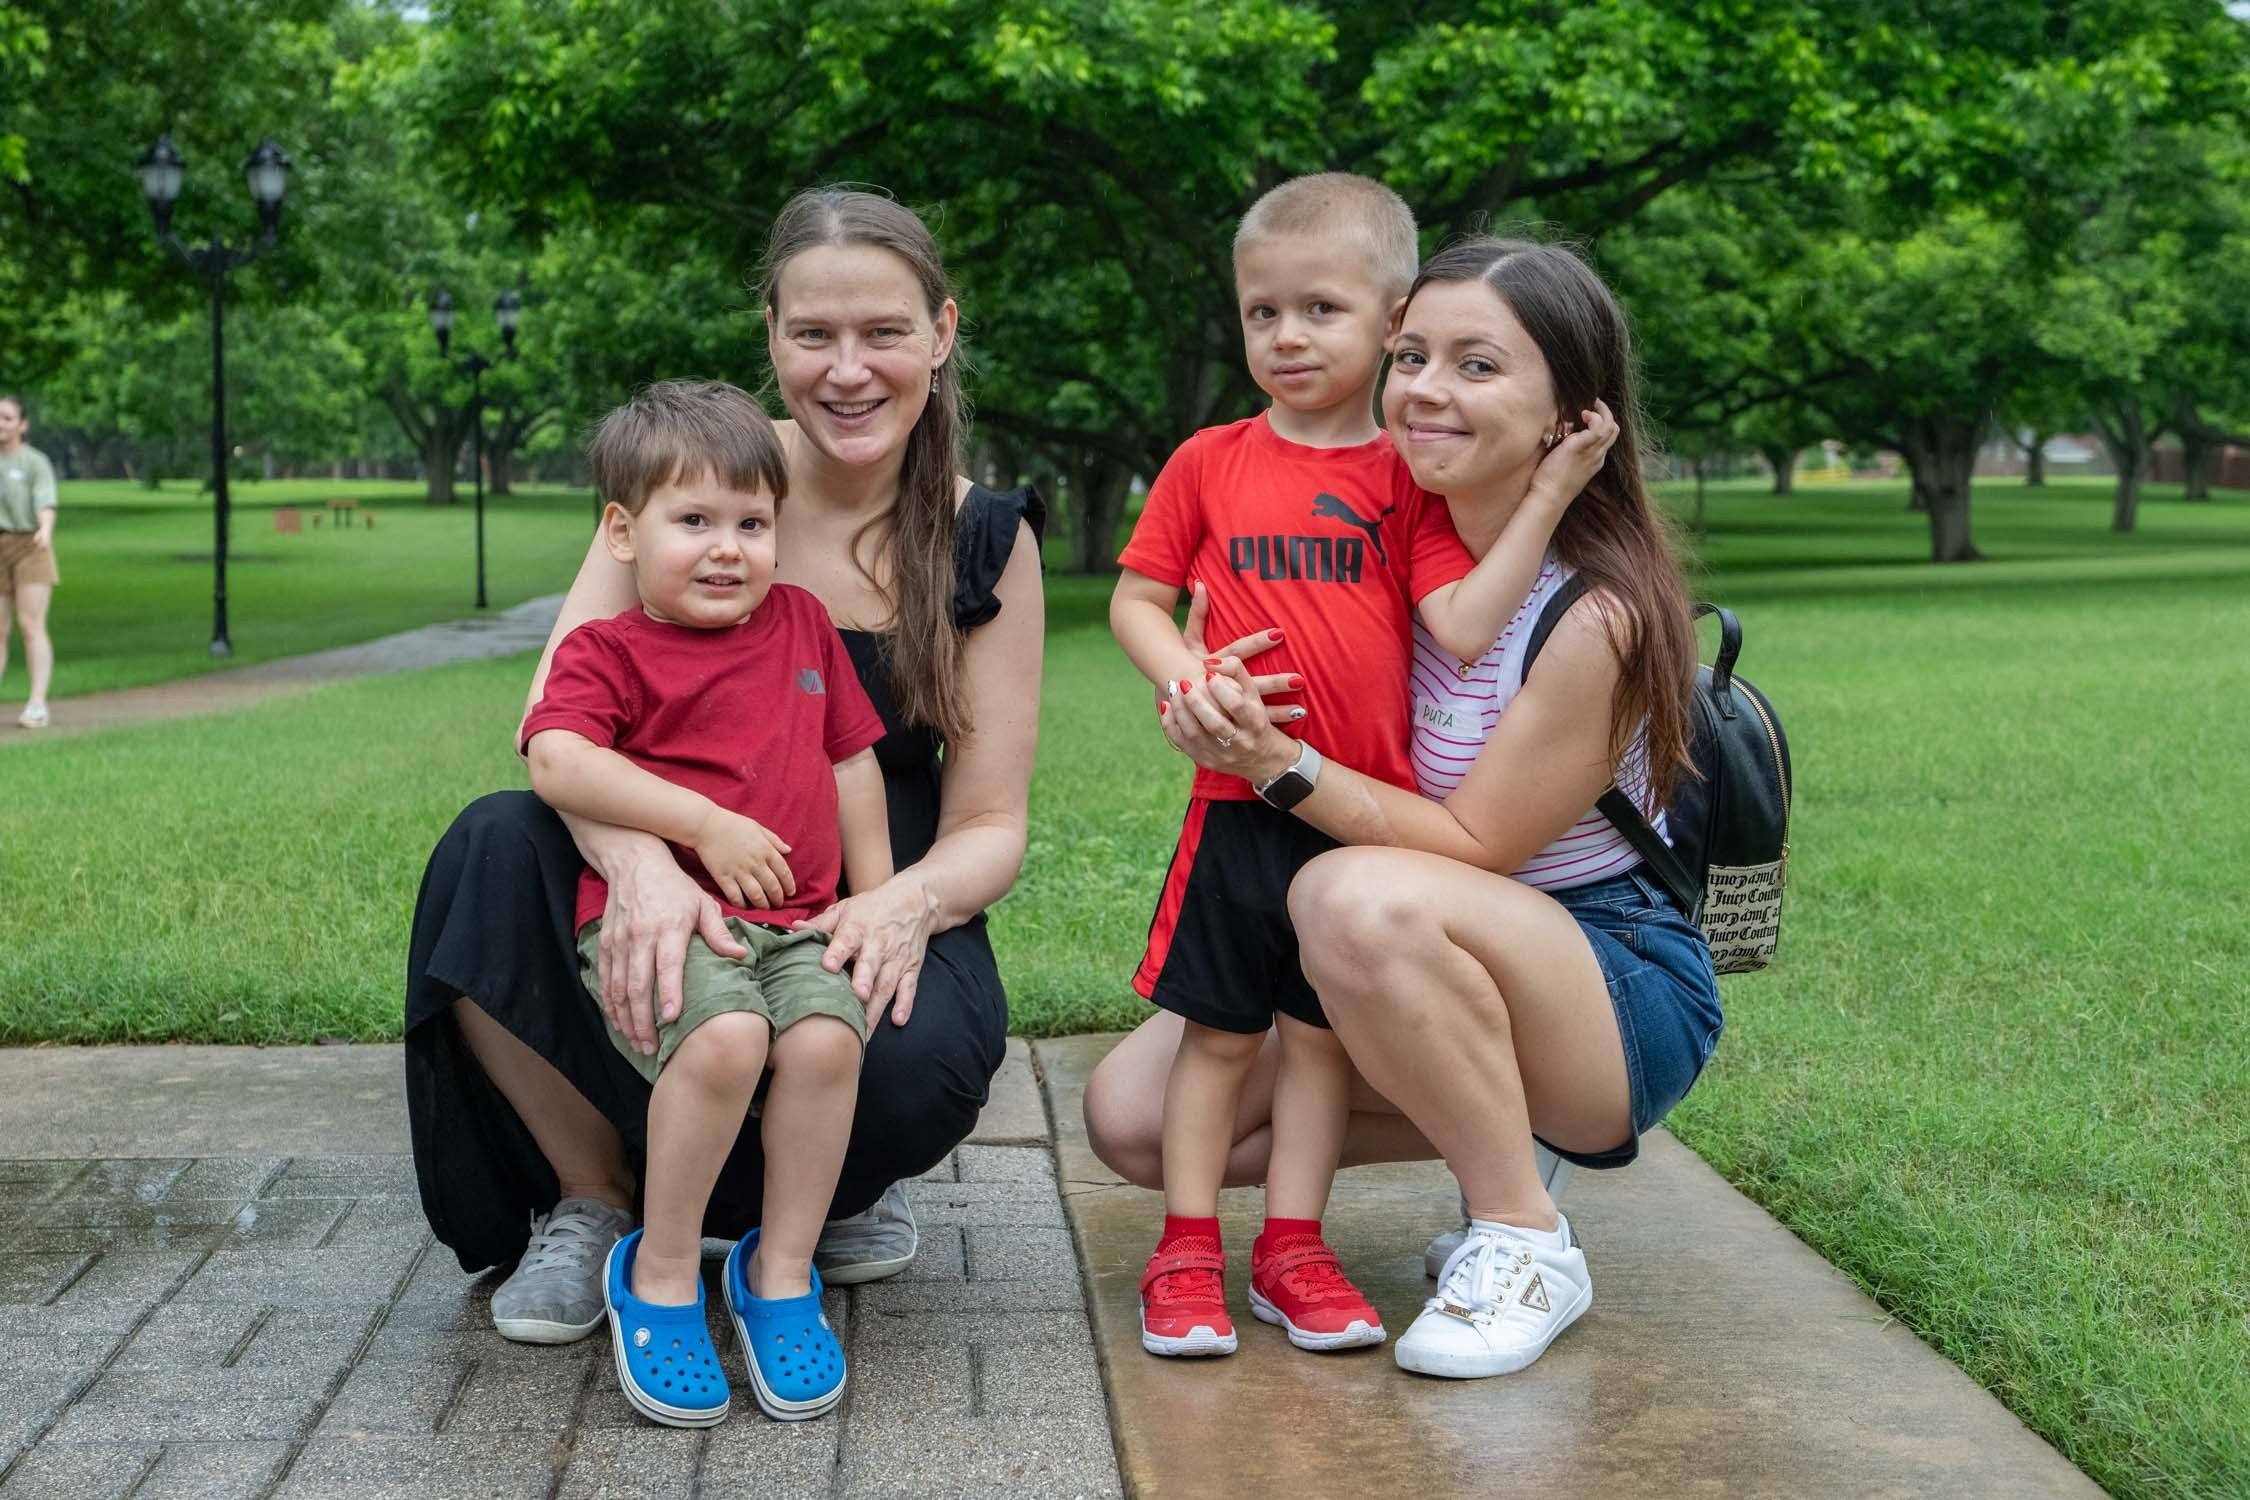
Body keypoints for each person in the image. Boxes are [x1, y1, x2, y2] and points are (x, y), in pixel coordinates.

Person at [404, 188, 1045, 1354]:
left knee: (903, 1062)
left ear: (941, 334)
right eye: (815, 336)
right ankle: (596, 1198)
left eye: (884, 334)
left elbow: (993, 821)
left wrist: (900, 902)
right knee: (486, 853)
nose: (848, 370)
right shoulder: (705, 487)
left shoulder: (986, 537)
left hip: (860, 881)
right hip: (663, 843)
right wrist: (649, 860)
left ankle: (820, 1202)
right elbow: (551, 727)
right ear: (771, 338)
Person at [1087, 235, 1723, 1382]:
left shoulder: (1595, 613)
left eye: (1479, 366)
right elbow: (1204, 612)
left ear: (1567, 419)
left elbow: (1477, 848)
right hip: (1417, 961)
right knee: (1133, 1116)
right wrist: (1207, 685)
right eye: (1415, 354)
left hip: (1606, 977)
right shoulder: (1385, 534)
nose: (1427, 389)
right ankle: (1473, 1119)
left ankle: (1523, 1236)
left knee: (1349, 895)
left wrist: (1279, 764)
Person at [522, 380, 889, 1424]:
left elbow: (852, 763)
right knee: (725, 1038)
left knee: (825, 1047)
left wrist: (872, 897)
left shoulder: (804, 627)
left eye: (752, 524)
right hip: (670, 920)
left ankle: (778, 1271)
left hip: (803, 921)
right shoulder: (608, 651)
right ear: (623, 532)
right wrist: (702, 825)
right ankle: (665, 1271)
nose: (728, 548)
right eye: (695, 522)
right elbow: (556, 759)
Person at [0, 394, 59, 729]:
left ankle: (37, 704)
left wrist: (45, 530)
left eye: (7, 418)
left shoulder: (34, 462)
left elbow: (45, 501)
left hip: (31, 545)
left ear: (22, 425)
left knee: (30, 624)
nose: (0, 425)